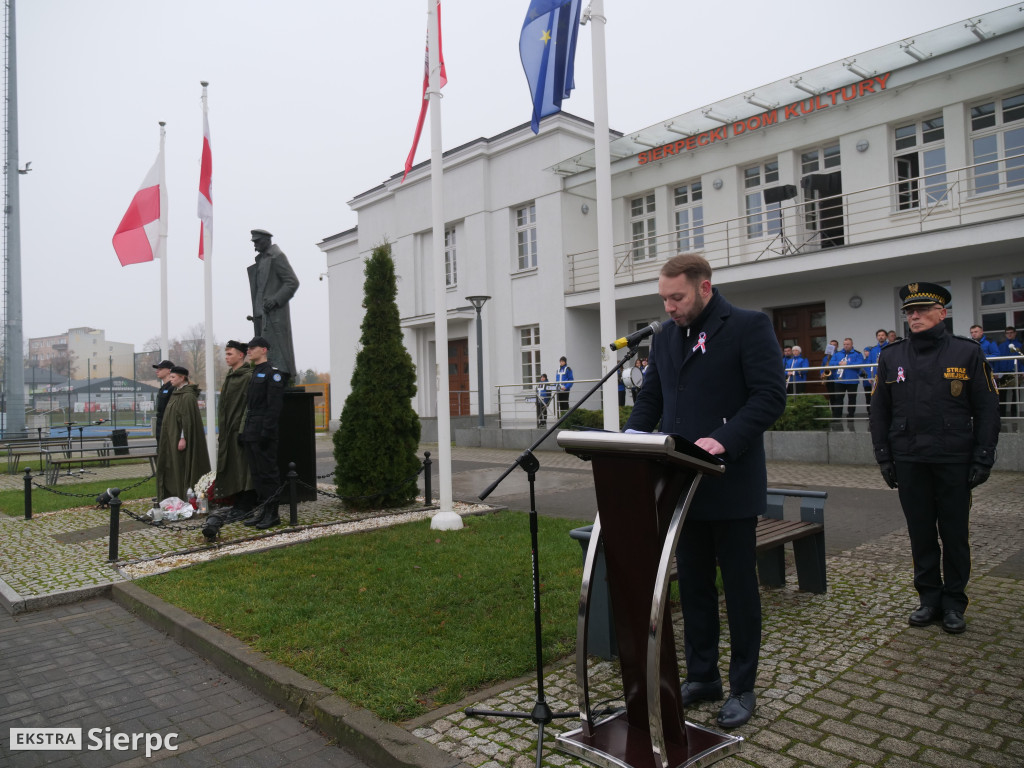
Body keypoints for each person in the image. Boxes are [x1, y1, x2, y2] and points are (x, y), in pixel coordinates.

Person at [624, 253, 786, 729]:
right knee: (693, 587)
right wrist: (634, 439)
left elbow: (769, 397)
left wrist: (727, 439)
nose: (670, 307)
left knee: (738, 591)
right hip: (681, 486)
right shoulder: (667, 337)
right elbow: (652, 397)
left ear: (704, 288)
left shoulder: (748, 326)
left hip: (729, 483)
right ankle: (703, 677)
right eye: (664, 298)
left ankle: (742, 687)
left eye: (677, 297)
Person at [869, 283, 999, 635]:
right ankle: (928, 599)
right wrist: (884, 456)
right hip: (909, 460)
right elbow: (879, 410)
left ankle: (954, 601)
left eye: (923, 309)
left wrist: (983, 457)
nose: (914, 315)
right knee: (921, 534)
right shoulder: (892, 356)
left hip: (953, 459)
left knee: (955, 534)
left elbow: (987, 409)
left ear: (942, 313)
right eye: (910, 311)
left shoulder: (966, 353)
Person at [202, 341, 255, 541]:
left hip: (240, 432)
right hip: (228, 432)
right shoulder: (231, 377)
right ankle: (238, 503)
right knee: (234, 468)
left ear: (241, 355)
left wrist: (242, 430)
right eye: (225, 354)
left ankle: (245, 505)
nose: (226, 357)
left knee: (244, 469)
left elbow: (249, 406)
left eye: (230, 354)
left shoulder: (247, 377)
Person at [241, 336, 287, 530]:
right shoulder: (255, 372)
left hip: (264, 431)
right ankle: (263, 509)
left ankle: (272, 513)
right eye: (248, 348)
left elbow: (274, 407)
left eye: (253, 347)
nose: (249, 350)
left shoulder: (272, 374)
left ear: (264, 350)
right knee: (257, 473)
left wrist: (266, 432)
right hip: (252, 429)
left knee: (268, 473)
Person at [247, 229, 299, 378]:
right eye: (254, 242)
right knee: (262, 354)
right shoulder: (261, 260)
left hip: (274, 315)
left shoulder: (277, 256)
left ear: (267, 240)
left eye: (257, 241)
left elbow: (292, 282)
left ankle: (281, 378)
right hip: (260, 315)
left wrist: (275, 300)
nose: (255, 246)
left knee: (278, 354)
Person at [155, 366, 211, 502]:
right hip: (170, 437)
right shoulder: (176, 393)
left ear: (182, 378)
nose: (171, 380)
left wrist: (183, 438)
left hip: (179, 439)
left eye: (173, 377)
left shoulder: (187, 396)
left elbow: (187, 420)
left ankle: (185, 495)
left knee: (182, 465)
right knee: (172, 465)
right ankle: (172, 495)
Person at [828, 338, 864, 419]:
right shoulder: (838, 354)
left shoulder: (857, 354)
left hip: (852, 381)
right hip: (839, 380)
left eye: (847, 344)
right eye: (844, 344)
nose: (846, 346)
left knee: (852, 399)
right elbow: (831, 363)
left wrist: (847, 363)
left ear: (851, 344)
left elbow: (860, 363)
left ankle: (850, 415)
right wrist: (839, 363)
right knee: (838, 399)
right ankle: (837, 416)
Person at [997, 327, 1022, 418]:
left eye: (1011, 332)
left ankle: (1015, 414)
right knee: (1002, 394)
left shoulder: (1019, 345)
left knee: (1016, 394)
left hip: (1015, 372)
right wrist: (997, 372)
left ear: (1015, 333)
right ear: (1005, 334)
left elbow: (1022, 359)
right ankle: (1002, 415)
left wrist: (1022, 371)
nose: (1009, 334)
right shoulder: (1001, 346)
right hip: (1003, 372)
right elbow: (998, 360)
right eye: (1007, 333)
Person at [863, 329, 889, 411]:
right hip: (875, 377)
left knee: (887, 396)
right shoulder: (873, 350)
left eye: (882, 335)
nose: (881, 337)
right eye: (879, 335)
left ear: (886, 337)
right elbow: (869, 364)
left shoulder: (890, 347)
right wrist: (869, 376)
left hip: (887, 376)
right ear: (877, 337)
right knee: (876, 396)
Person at [152, 359, 175, 441]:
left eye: (160, 369)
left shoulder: (173, 388)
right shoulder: (163, 388)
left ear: (169, 371)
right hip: (160, 425)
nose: (157, 371)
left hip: (168, 426)